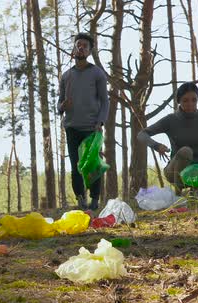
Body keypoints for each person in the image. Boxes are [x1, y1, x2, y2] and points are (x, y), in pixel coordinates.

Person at [137, 82, 198, 195]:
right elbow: (142, 134)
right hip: (174, 171)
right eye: (185, 100)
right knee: (186, 151)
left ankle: (196, 191)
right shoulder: (170, 120)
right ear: (179, 101)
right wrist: (157, 146)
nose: (190, 104)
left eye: (194, 100)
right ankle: (178, 195)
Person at [58, 32, 109, 210]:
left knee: (93, 164)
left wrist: (100, 122)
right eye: (78, 45)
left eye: (85, 46)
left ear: (89, 51)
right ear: (74, 48)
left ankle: (95, 200)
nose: (81, 48)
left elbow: (105, 101)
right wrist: (62, 106)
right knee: (76, 166)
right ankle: (81, 200)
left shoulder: (97, 74)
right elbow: (59, 104)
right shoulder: (66, 76)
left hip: (92, 127)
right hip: (72, 127)